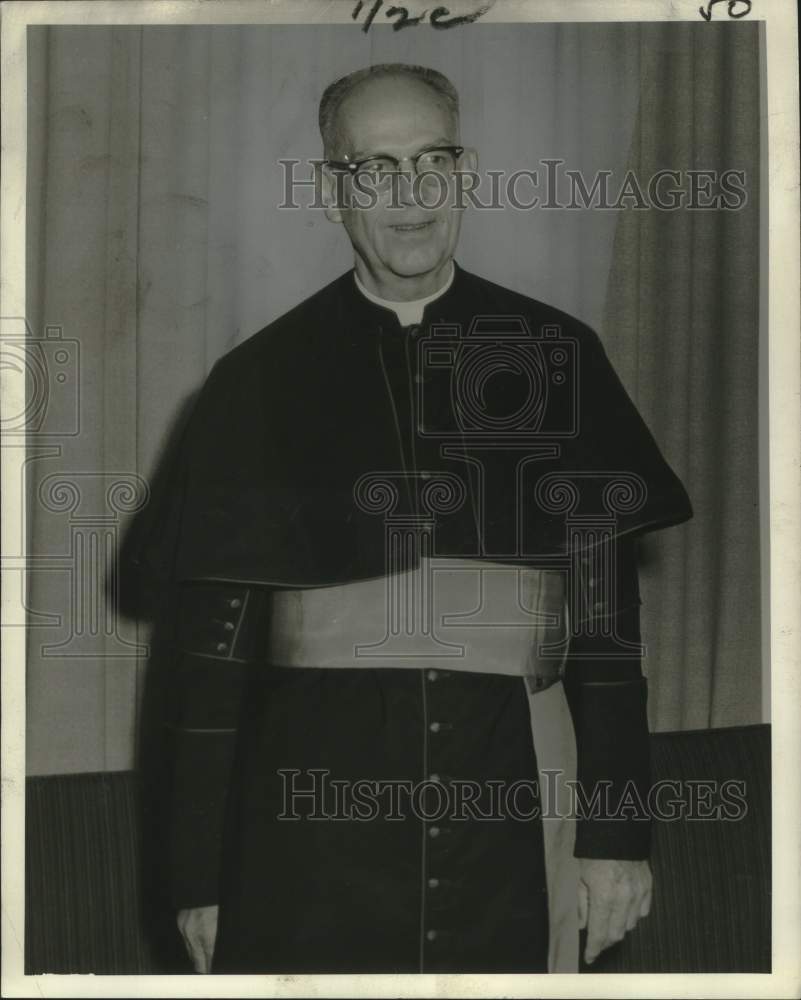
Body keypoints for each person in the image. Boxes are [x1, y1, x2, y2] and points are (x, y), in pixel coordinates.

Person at [131, 63, 692, 975]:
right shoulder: (253, 386)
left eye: (433, 159)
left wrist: (617, 835)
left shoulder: (561, 357)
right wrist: (201, 875)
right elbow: (205, 668)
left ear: (465, 172)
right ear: (328, 190)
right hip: (307, 828)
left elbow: (606, 632)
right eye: (375, 168)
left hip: (518, 800)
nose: (411, 194)